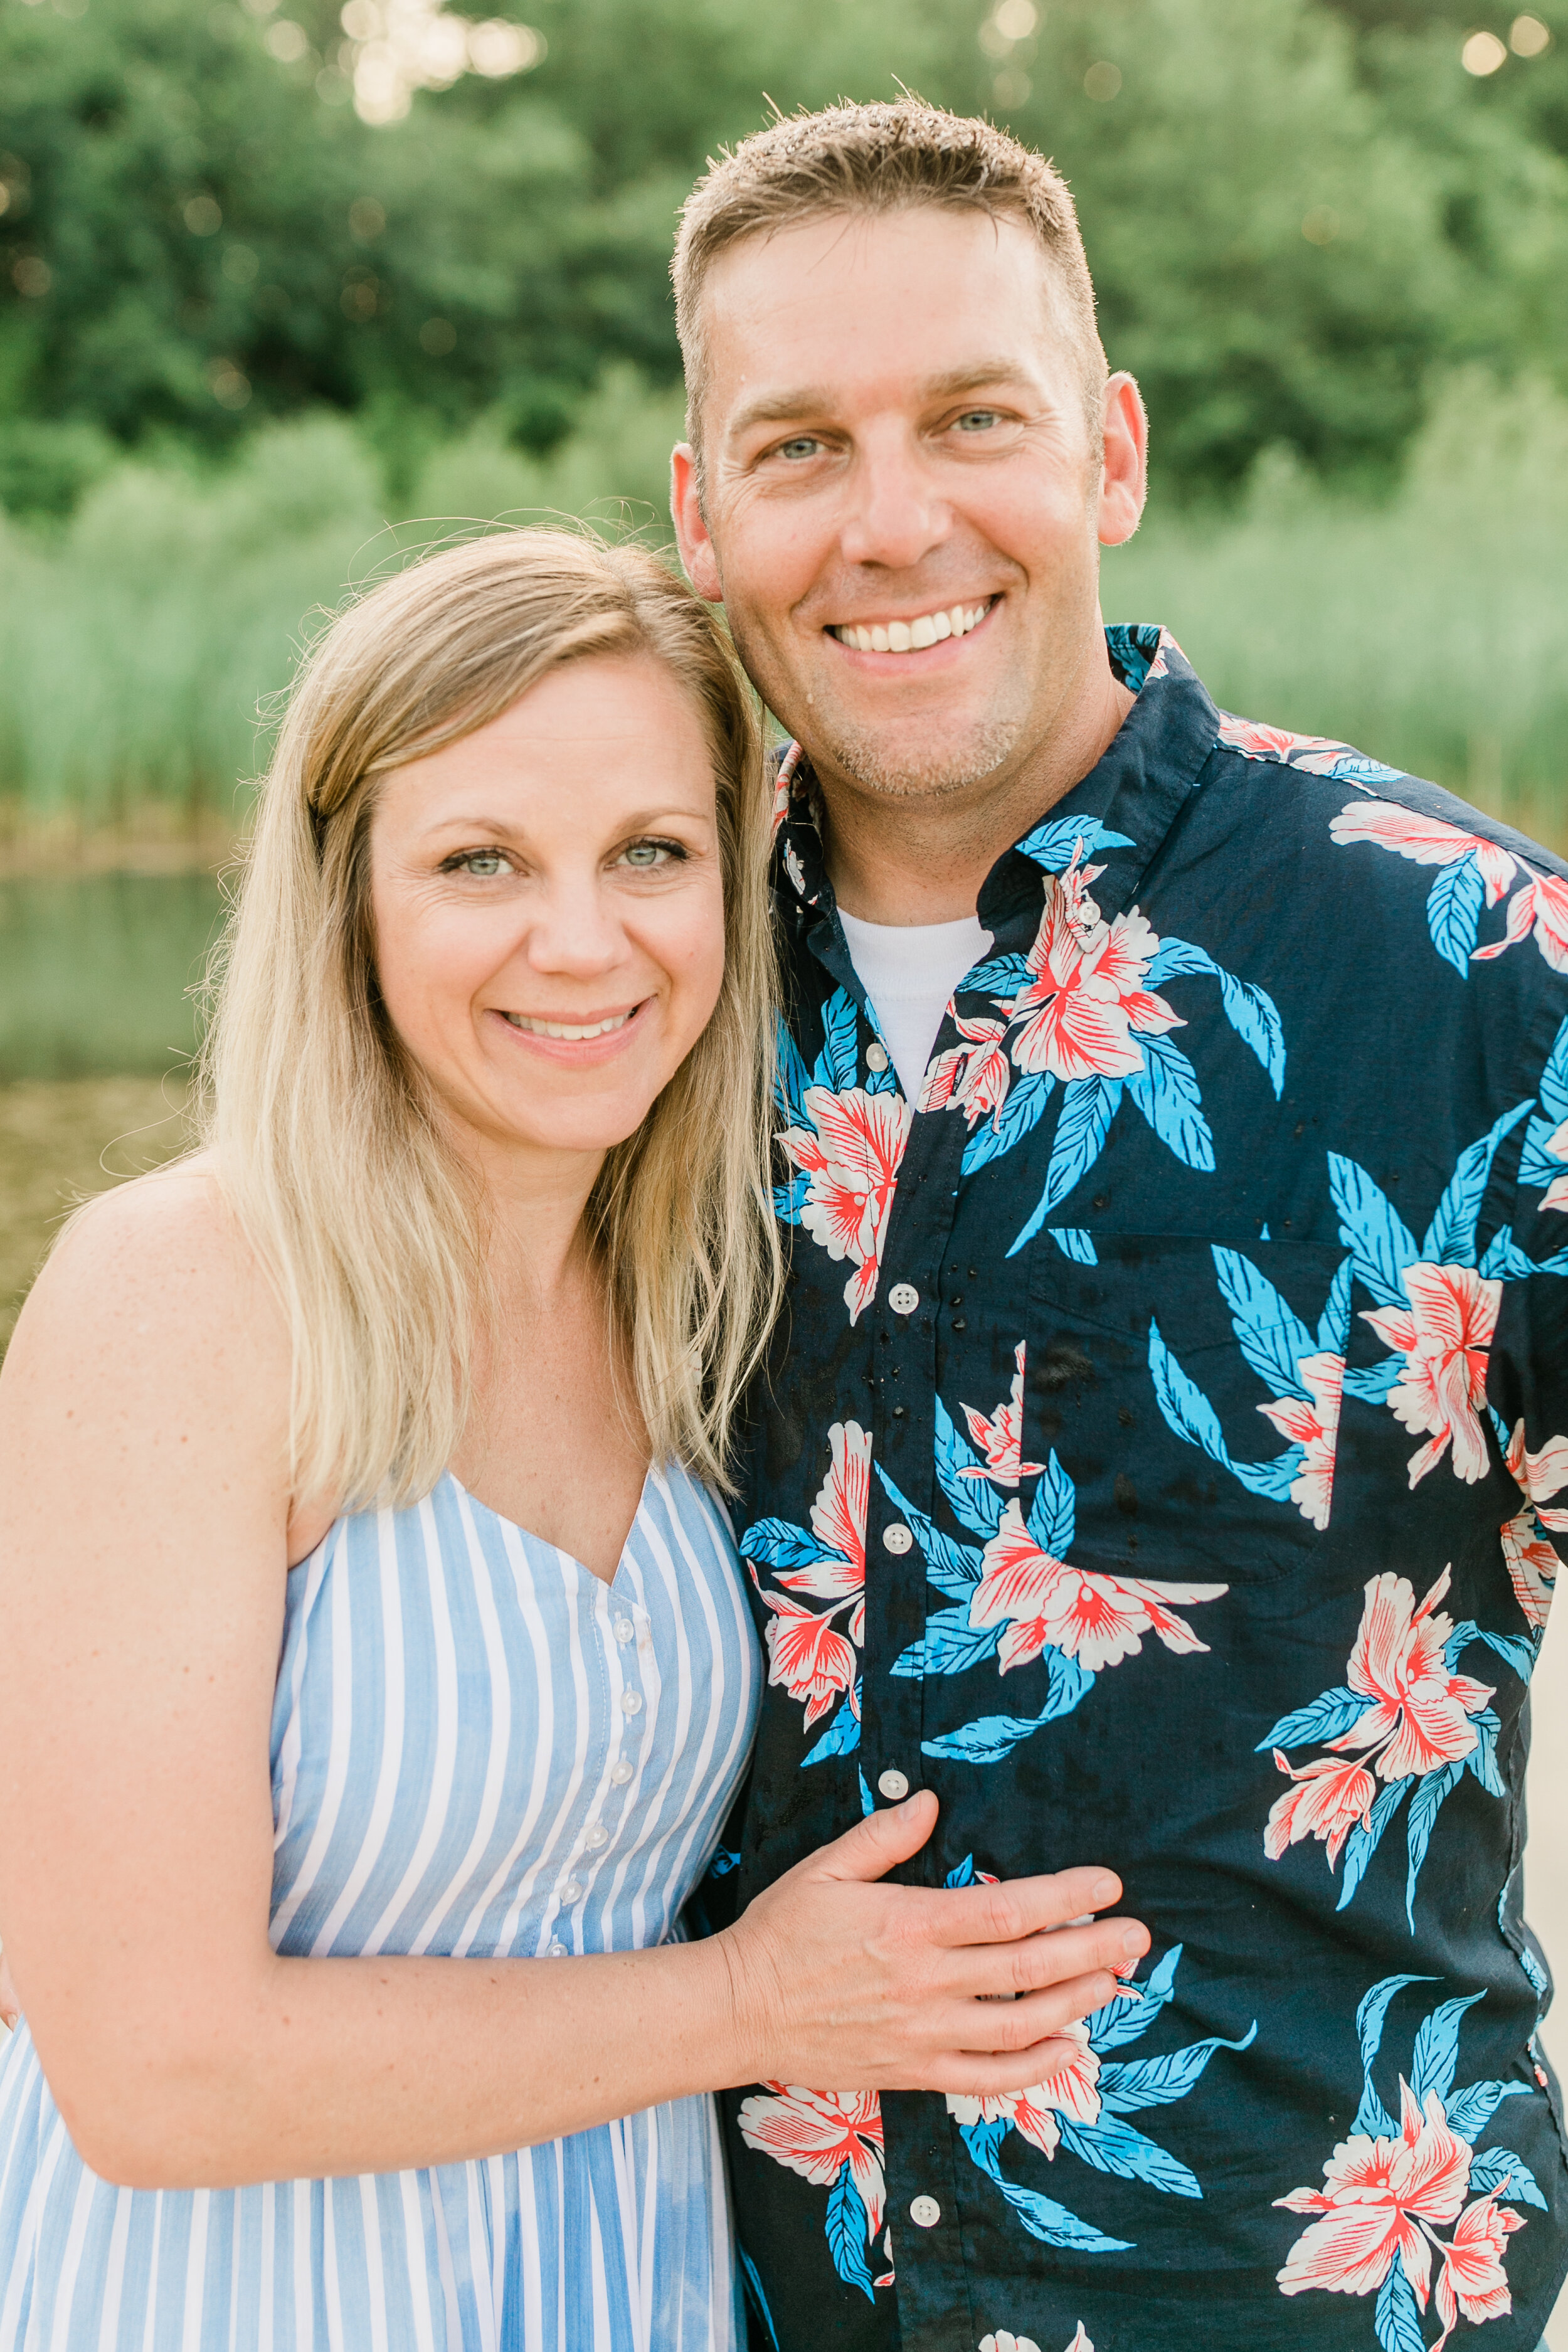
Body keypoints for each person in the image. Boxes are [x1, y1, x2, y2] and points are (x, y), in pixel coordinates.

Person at [0, 530, 1147, 2350]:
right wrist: (750, 2007)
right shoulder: (185, 1297)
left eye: (648, 855)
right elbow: (157, 2073)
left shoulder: (694, 1306)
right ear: (346, 895)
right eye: (479, 862)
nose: (579, 941)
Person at [665, 101, 1568, 2352]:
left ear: (1109, 454)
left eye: (973, 418)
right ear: (701, 517)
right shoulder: (615, 1005)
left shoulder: (1468, 968)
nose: (893, 524)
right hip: (708, 2297)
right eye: (798, 448)